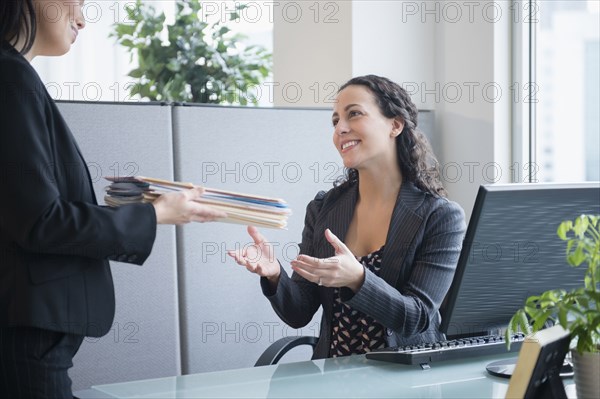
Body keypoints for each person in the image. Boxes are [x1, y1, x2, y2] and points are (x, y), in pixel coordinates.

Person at [0, 1, 226, 397]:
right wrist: (153, 215)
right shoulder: (9, 78)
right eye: (79, 3)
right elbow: (41, 222)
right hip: (27, 340)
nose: (84, 19)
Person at [228, 75, 466, 359]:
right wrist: (275, 275)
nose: (340, 128)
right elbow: (299, 312)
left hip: (406, 380)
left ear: (395, 125)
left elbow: (416, 318)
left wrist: (359, 279)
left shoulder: (440, 216)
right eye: (335, 121)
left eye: (354, 114)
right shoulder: (323, 209)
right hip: (336, 377)